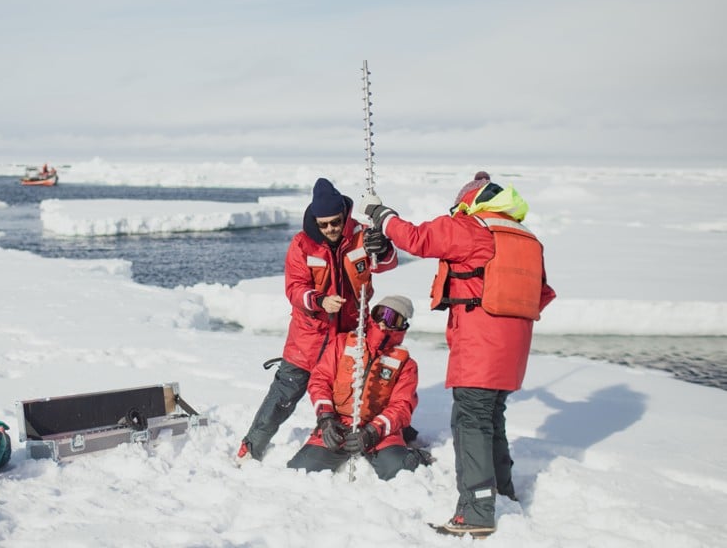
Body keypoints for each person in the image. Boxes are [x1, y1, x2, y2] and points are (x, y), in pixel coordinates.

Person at [363, 171, 556, 538]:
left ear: (470, 202)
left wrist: (382, 215)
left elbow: (417, 239)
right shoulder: (527, 239)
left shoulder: (472, 227)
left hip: (479, 347)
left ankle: (476, 510)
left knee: (470, 424)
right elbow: (541, 294)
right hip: (513, 353)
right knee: (490, 418)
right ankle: (504, 493)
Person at [237, 178, 398, 462]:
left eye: (335, 222)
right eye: (324, 224)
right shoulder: (302, 244)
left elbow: (386, 264)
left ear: (344, 216)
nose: (330, 229)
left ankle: (348, 446)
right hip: (309, 337)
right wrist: (319, 300)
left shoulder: (361, 235)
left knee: (350, 396)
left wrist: (382, 248)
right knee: (282, 396)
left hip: (349, 334)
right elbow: (294, 288)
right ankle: (251, 448)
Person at [287, 295, 431, 478]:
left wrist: (372, 431)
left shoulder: (407, 365)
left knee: (400, 470)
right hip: (339, 425)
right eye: (381, 314)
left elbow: (402, 406)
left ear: (403, 326)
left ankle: (416, 456)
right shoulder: (342, 343)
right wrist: (326, 418)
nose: (384, 323)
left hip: (378, 433)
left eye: (394, 319)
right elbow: (320, 381)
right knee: (300, 471)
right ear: (372, 315)